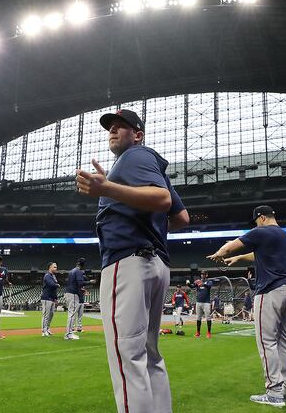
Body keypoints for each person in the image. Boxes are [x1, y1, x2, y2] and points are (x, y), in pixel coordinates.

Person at [75, 108, 189, 413]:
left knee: (129, 357)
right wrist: (148, 224)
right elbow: (181, 217)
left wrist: (105, 187)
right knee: (149, 354)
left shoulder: (134, 157)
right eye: (110, 127)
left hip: (127, 262)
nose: (113, 130)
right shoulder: (151, 165)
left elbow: (163, 201)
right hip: (155, 264)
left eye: (121, 127)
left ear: (137, 134)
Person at [208, 205, 286, 407]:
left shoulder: (261, 231)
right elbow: (258, 253)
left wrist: (219, 253)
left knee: (267, 342)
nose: (256, 224)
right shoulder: (283, 235)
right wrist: (241, 257)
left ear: (261, 217)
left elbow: (231, 245)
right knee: (283, 341)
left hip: (271, 291)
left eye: (256, 221)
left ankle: (274, 392)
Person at [187, 271, 219, 338]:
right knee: (198, 317)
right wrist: (188, 284)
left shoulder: (209, 281)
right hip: (198, 302)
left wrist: (203, 284)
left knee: (208, 317)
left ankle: (209, 332)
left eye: (204, 274)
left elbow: (209, 286)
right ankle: (198, 332)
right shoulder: (198, 281)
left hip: (206, 302)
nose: (202, 275)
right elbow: (193, 286)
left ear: (206, 275)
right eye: (202, 274)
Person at [64, 258, 90, 340]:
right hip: (73, 293)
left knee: (71, 313)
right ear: (83, 265)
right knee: (72, 314)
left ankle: (69, 333)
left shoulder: (72, 271)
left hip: (68, 292)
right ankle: (68, 334)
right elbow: (80, 283)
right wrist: (90, 282)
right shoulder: (78, 271)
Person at [40, 262, 59, 337]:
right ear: (50, 267)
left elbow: (54, 288)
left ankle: (47, 329)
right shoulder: (47, 275)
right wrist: (57, 285)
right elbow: (51, 285)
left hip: (52, 298)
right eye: (54, 267)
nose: (56, 268)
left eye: (56, 267)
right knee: (46, 315)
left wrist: (55, 298)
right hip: (46, 297)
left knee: (51, 315)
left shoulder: (53, 276)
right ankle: (43, 331)